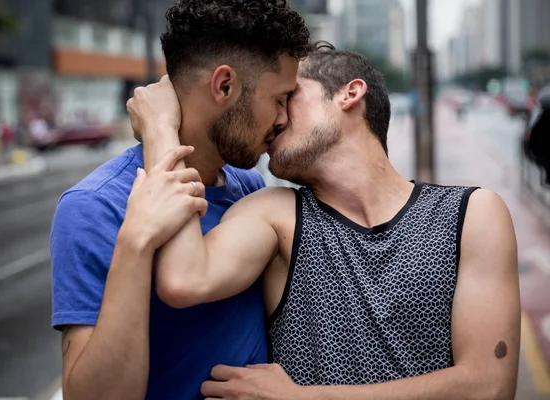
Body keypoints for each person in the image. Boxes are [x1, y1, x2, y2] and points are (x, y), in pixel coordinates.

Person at [135, 47, 521, 399]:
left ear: (349, 93)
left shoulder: (471, 214)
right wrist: (161, 131)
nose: (276, 117)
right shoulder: (275, 213)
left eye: (288, 97)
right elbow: (183, 278)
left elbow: (488, 387)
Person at [50, 1, 310, 399]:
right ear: (224, 86)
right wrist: (135, 243)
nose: (283, 118)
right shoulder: (96, 206)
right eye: (279, 98)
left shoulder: (250, 189)